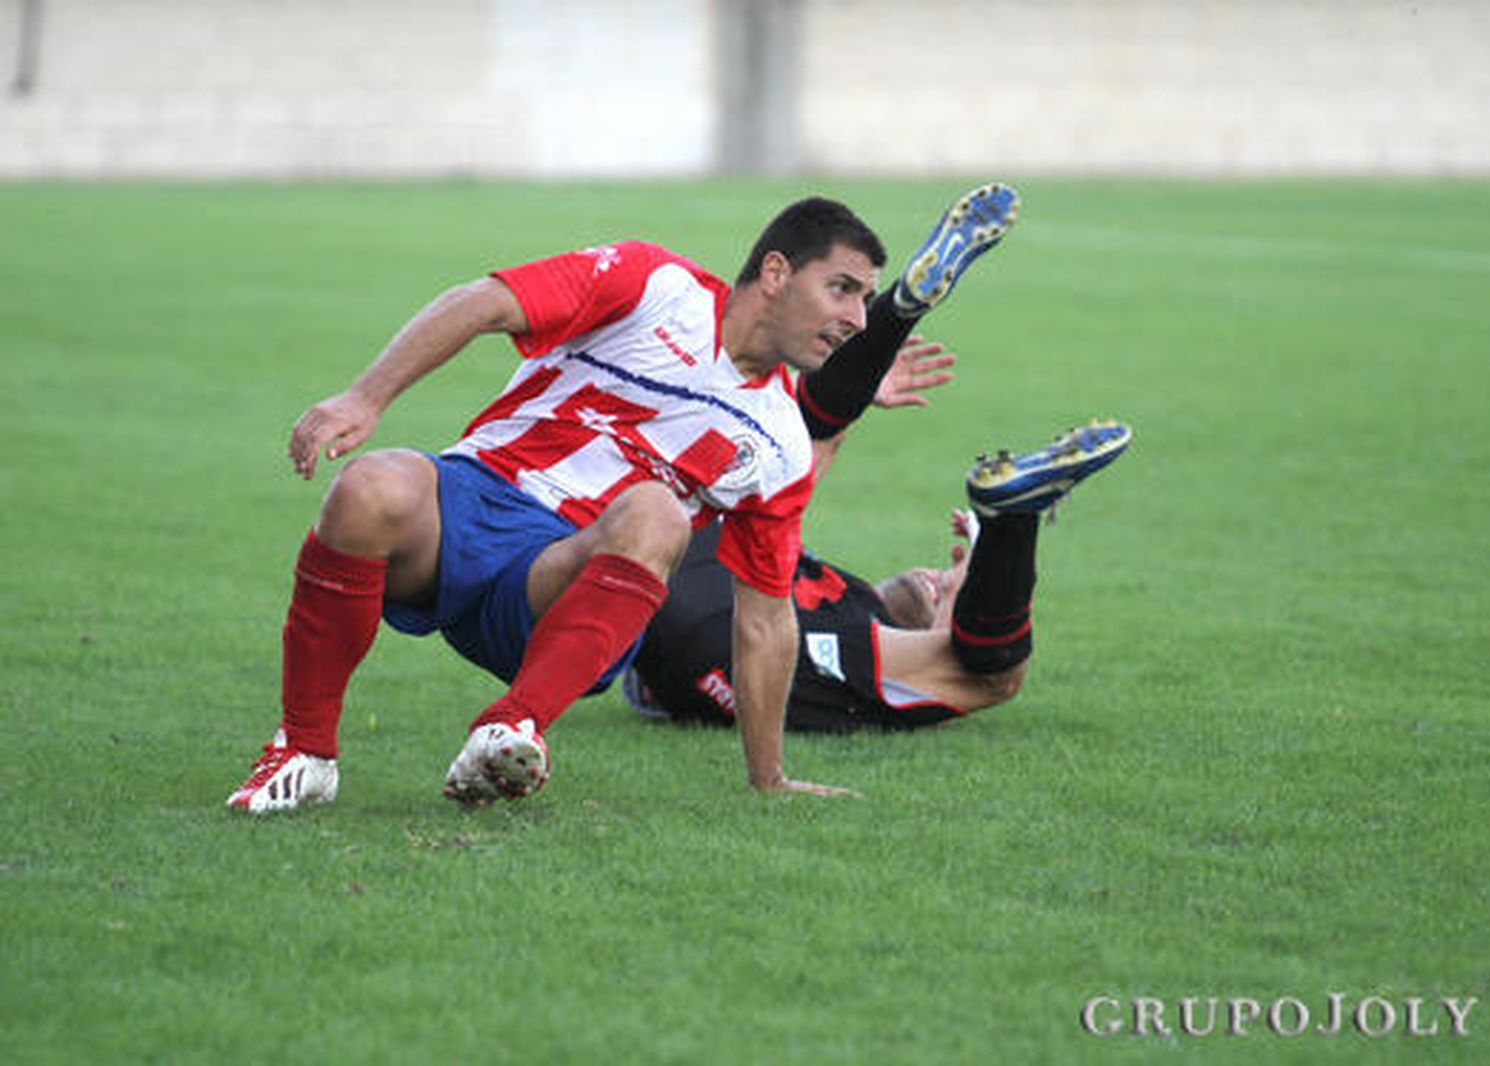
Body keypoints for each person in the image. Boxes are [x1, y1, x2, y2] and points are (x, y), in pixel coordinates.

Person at [225, 182, 1021, 812]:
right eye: (843, 289)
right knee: (370, 484)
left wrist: (767, 777)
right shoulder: (655, 285)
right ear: (775, 272)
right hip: (473, 500)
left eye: (866, 301)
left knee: (656, 510)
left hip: (563, 579)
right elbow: (484, 302)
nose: (853, 317)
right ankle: (304, 752)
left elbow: (765, 614)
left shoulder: (778, 439)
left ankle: (513, 727)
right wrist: (365, 399)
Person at [624, 421, 1132, 732]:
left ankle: (1009, 521)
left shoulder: (850, 614)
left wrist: (971, 577)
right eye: (945, 571)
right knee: (992, 677)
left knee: (991, 675)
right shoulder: (839, 598)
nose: (937, 576)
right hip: (690, 575)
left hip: (703, 632)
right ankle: (1009, 522)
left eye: (945, 586)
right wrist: (974, 571)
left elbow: (957, 649)